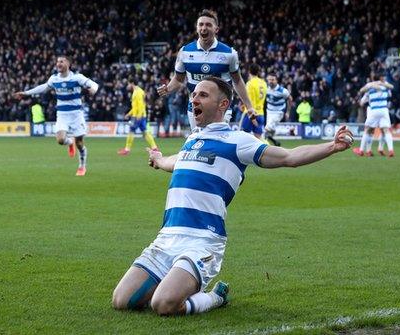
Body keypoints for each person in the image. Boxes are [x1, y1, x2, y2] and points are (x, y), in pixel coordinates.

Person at [112, 77, 353, 316]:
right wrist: (159, 159)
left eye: (203, 95)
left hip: (202, 241)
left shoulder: (238, 142)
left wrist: (331, 147)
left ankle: (215, 296)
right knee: (122, 301)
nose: (195, 98)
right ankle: (174, 279)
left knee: (163, 304)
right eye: (194, 94)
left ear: (223, 105)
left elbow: (288, 157)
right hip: (167, 238)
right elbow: (172, 162)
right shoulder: (192, 140)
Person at [157, 9, 256, 131]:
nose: (204, 28)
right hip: (196, 107)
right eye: (201, 24)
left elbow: (237, 81)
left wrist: (249, 106)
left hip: (220, 107)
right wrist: (168, 88)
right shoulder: (185, 52)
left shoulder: (229, 54)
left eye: (208, 25)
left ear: (216, 29)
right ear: (197, 28)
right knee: (199, 145)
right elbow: (178, 80)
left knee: (216, 144)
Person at [14, 55, 99, 176]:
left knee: (80, 143)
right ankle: (70, 143)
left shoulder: (77, 77)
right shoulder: (54, 79)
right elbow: (43, 87)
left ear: (68, 64)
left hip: (76, 115)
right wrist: (26, 93)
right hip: (62, 114)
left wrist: (93, 90)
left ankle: (82, 166)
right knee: (60, 140)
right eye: (57, 61)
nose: (58, 64)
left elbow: (95, 85)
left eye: (61, 61)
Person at [353, 75, 394, 157]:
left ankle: (362, 150)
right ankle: (390, 150)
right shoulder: (385, 86)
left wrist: (369, 86)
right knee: (385, 130)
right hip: (384, 110)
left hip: (373, 110)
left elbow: (361, 96)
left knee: (368, 130)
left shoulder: (370, 87)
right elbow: (391, 91)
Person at [118, 79, 159, 155]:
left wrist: (138, 115)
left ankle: (127, 149)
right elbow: (137, 106)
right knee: (145, 132)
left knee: (131, 131)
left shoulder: (137, 92)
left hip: (137, 116)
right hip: (141, 115)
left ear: (132, 83)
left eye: (128, 84)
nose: (128, 86)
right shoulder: (140, 91)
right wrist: (129, 114)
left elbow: (140, 105)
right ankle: (155, 148)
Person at [264, 73, 292, 146]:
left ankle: (264, 145)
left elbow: (290, 99)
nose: (270, 81)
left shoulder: (283, 91)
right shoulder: (266, 88)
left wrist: (288, 112)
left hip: (278, 112)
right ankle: (289, 131)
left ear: (276, 81)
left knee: (267, 129)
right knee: (271, 131)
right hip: (269, 111)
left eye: (272, 80)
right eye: (269, 79)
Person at [241, 63, 266, 139]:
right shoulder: (263, 83)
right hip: (261, 113)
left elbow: (250, 101)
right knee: (258, 140)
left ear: (249, 71)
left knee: (244, 138)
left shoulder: (250, 83)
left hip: (251, 114)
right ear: (258, 72)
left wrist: (252, 117)